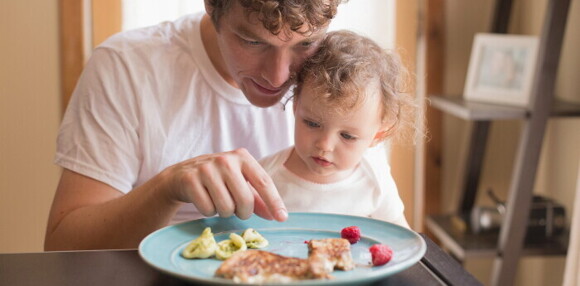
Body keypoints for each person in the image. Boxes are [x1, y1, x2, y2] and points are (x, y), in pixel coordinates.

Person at [44, 0, 350, 251]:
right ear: (211, 7)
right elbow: (64, 247)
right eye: (253, 41)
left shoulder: (338, 74)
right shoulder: (127, 66)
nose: (279, 76)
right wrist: (167, 188)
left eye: (306, 42)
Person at [259, 30, 416, 228]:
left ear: (378, 135)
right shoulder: (265, 177)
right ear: (296, 106)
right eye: (312, 123)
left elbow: (402, 242)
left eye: (347, 136)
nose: (325, 145)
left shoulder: (375, 182)